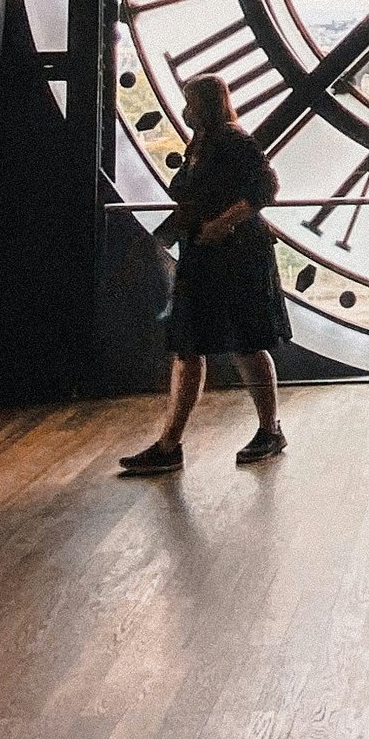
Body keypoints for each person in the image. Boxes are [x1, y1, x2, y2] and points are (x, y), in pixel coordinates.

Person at [120, 74, 288, 475]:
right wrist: (228, 222)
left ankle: (170, 444)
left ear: (200, 105)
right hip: (237, 256)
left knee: (189, 348)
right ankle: (269, 429)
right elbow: (264, 188)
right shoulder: (230, 141)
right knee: (247, 343)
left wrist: (213, 224)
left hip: (209, 256)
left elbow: (262, 187)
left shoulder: (212, 143)